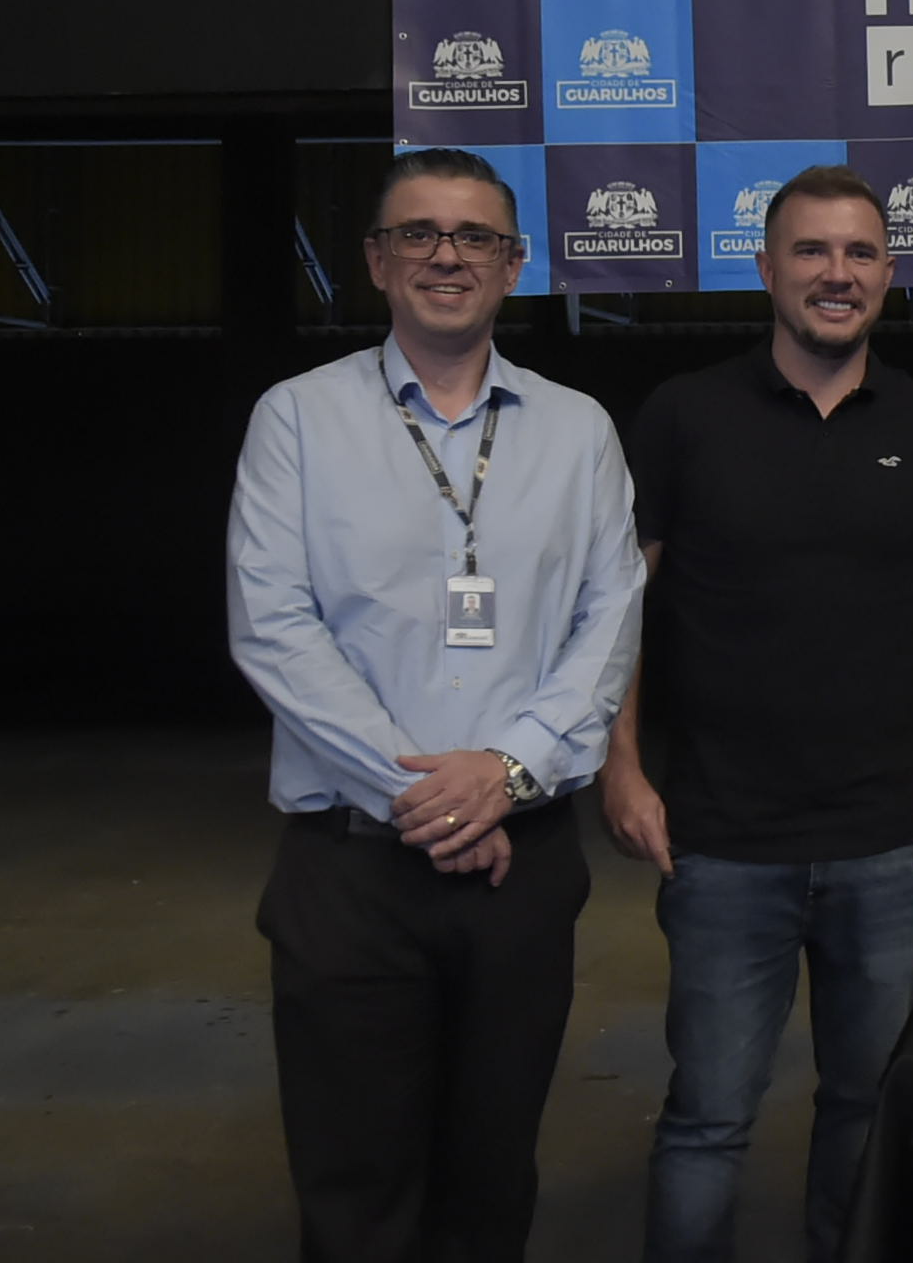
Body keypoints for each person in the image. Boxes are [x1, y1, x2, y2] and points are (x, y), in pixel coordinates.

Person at [228, 147, 646, 1261]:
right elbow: (273, 625)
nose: (446, 256)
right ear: (377, 260)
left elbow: (608, 624)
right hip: (351, 870)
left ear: (514, 265)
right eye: (419, 232)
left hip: (522, 865)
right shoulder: (297, 419)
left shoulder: (578, 431)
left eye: (474, 237)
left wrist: (502, 775)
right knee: (354, 1188)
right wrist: (431, 799)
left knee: (490, 1179)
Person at [604, 165, 913, 1263]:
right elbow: (619, 606)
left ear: (889, 274)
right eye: (811, 250)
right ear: (765, 268)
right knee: (708, 1117)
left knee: (867, 1105)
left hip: (885, 840)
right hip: (722, 841)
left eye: (859, 252)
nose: (836, 272)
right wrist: (620, 763)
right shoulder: (685, 415)